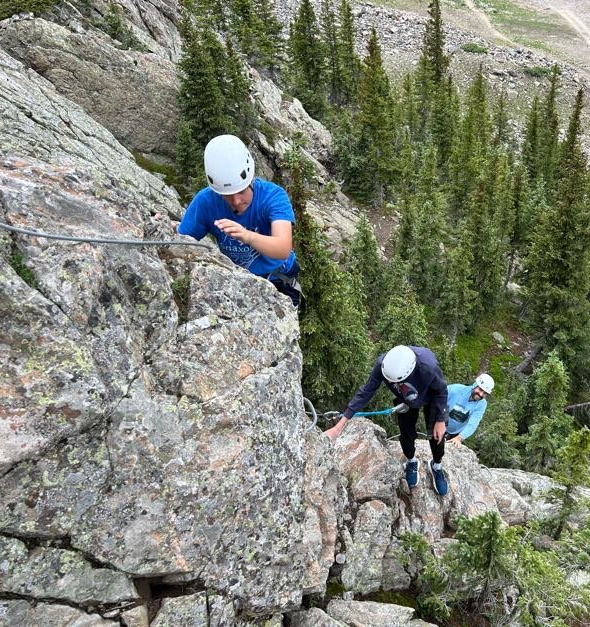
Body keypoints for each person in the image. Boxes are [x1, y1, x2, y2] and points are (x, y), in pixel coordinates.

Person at [178, 134, 301, 306]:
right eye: (227, 195)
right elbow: (182, 242)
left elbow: (282, 249)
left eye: (241, 191)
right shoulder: (205, 201)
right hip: (239, 280)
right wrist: (160, 227)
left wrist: (247, 236)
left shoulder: (273, 196)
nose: (236, 201)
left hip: (279, 278)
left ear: (251, 179)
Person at [325, 345, 450, 496]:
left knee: (438, 436)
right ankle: (411, 461)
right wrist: (338, 428)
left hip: (432, 399)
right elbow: (365, 393)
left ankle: (436, 465)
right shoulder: (383, 365)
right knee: (406, 434)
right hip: (405, 399)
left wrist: (441, 419)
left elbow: (441, 391)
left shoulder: (427, 367)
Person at [445, 373, 494, 448]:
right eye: (480, 389)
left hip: (456, 433)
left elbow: (473, 423)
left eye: (485, 393)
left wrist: (459, 438)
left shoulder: (481, 404)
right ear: (475, 385)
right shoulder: (456, 389)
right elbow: (439, 402)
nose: (481, 394)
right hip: (440, 423)